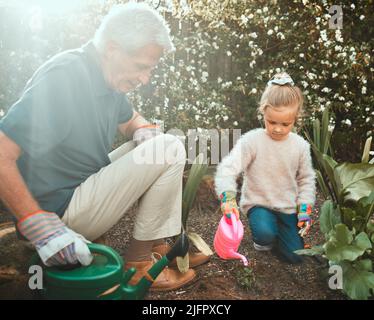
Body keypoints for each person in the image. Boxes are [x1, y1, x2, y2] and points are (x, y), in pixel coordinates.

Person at [0, 2, 200, 291]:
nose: (144, 79)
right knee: (169, 148)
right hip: (57, 219)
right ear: (112, 49)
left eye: (150, 70)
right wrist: (38, 224)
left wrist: (142, 130)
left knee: (160, 143)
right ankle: (139, 265)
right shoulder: (64, 78)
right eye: (141, 67)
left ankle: (157, 247)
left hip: (82, 188)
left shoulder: (106, 79)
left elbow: (131, 119)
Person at [214, 72, 316, 264]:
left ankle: (282, 234)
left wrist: (304, 208)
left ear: (296, 118)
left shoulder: (300, 146)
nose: (278, 128)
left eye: (285, 124)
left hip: (286, 207)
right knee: (265, 234)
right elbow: (227, 168)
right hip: (259, 202)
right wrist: (227, 197)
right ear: (263, 113)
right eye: (272, 122)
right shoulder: (253, 140)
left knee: (295, 257)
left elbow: (306, 179)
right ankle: (263, 236)